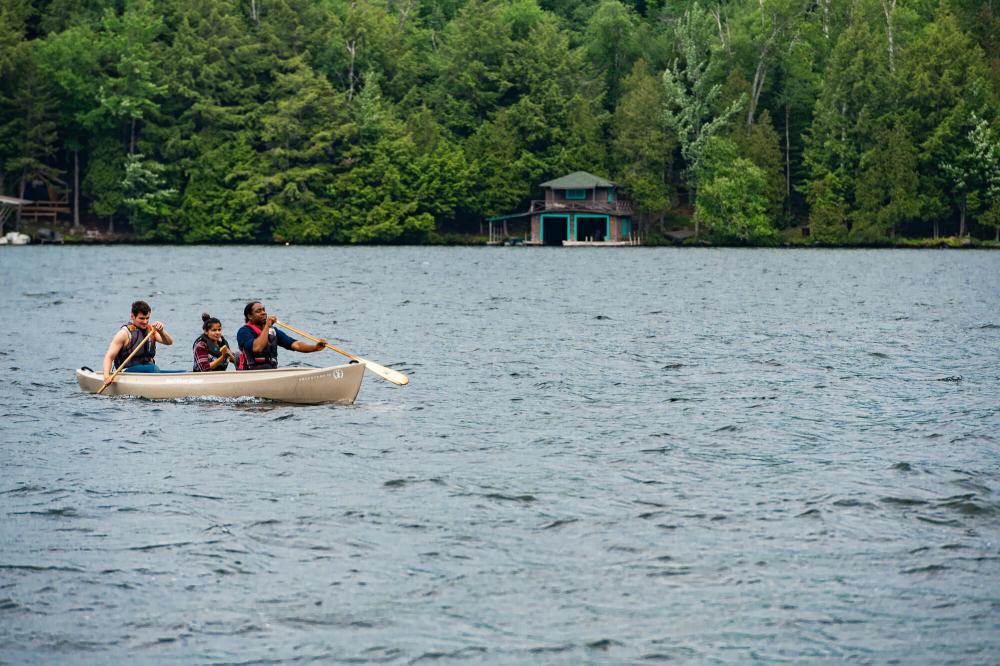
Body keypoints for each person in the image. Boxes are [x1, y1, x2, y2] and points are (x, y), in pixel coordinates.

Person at [236, 301, 327, 370]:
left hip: (271, 371)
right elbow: (257, 347)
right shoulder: (244, 332)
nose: (263, 312)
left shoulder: (273, 331)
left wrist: (314, 347)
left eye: (264, 310)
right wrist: (267, 326)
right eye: (258, 311)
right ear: (250, 316)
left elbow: (295, 344)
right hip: (250, 373)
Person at [102, 300, 174, 384]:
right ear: (132, 316)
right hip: (127, 372)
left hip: (149, 371)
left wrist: (162, 331)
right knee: (153, 369)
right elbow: (109, 357)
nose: (145, 322)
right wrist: (106, 377)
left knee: (181, 372)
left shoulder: (151, 331)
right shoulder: (124, 334)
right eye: (141, 318)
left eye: (147, 318)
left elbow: (169, 342)